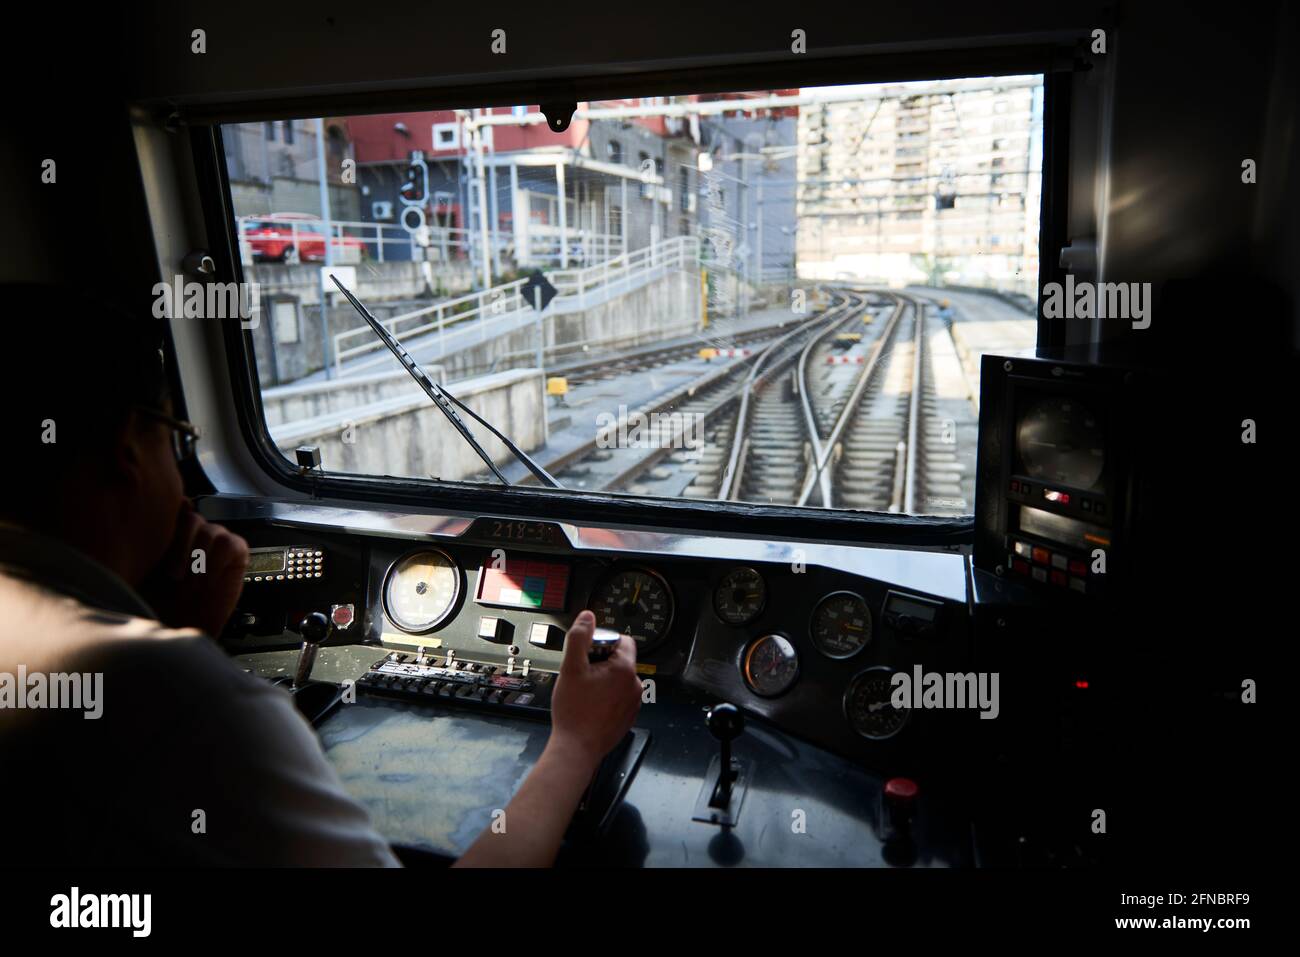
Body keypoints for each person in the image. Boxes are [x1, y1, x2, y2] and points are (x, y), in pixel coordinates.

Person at [0, 283, 642, 866]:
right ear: (128, 447)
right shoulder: (194, 705)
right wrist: (576, 744)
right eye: (176, 436)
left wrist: (179, 635)